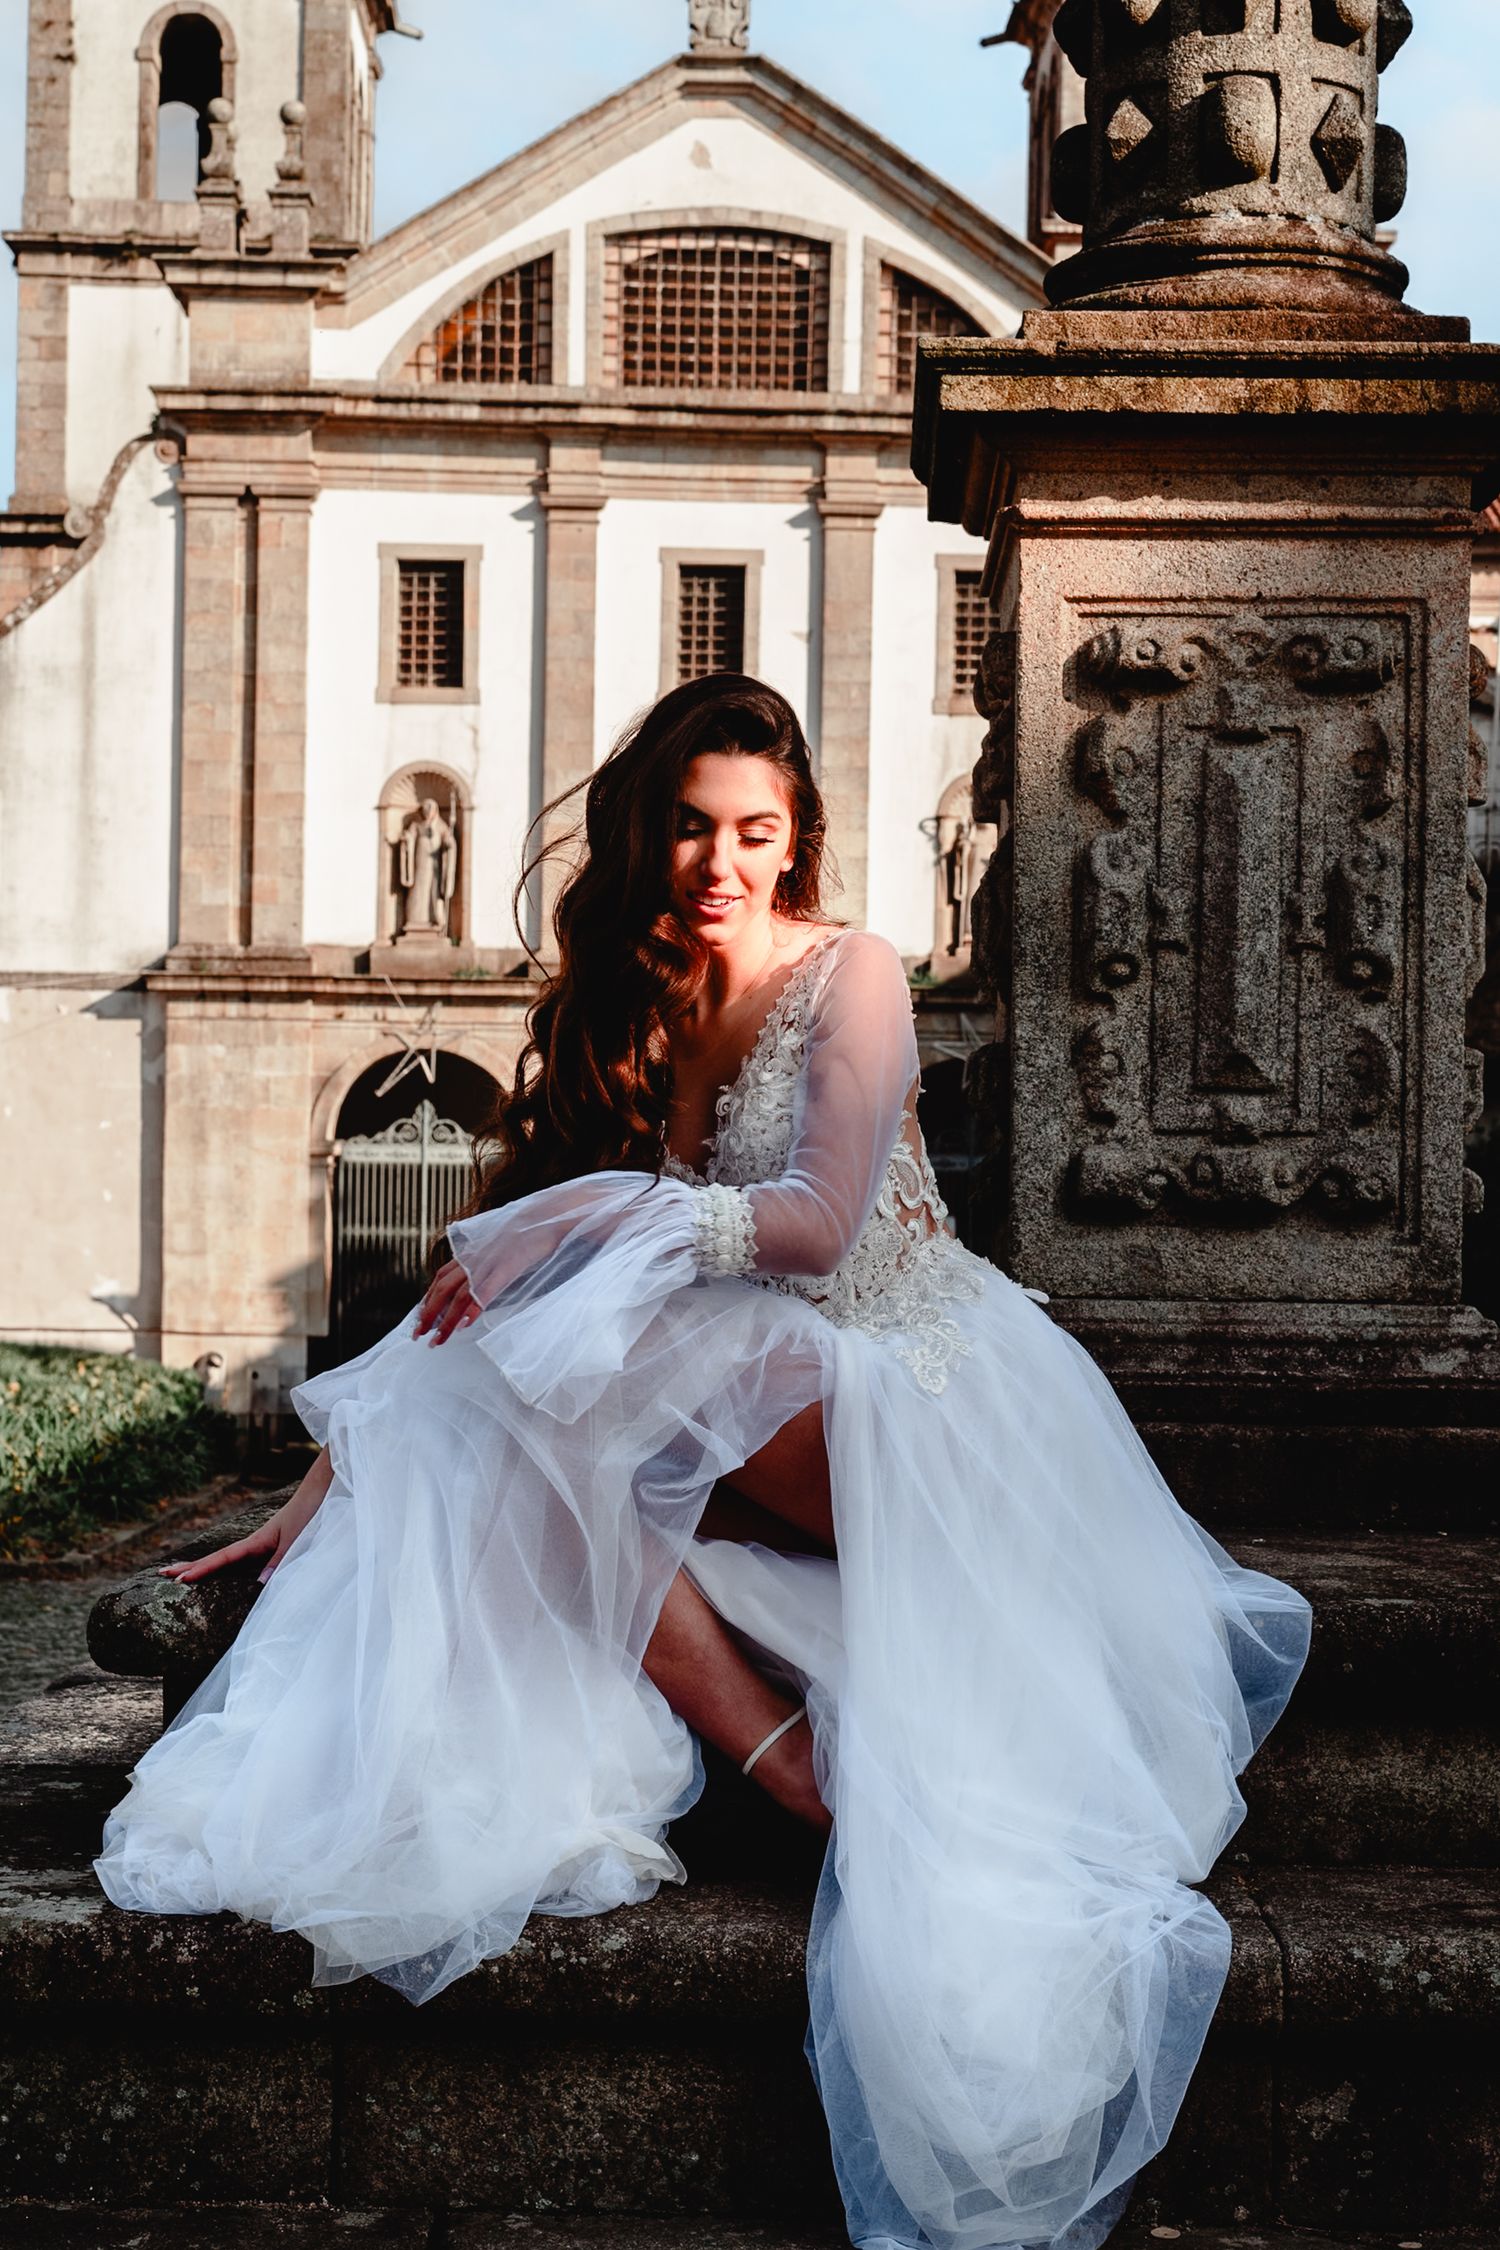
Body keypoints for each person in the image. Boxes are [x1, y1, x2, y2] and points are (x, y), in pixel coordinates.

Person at [95, 675, 1312, 2250]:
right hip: (759, 1383)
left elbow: (807, 1223)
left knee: (566, 1381)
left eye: (753, 829)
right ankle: (794, 1769)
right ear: (647, 833)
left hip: (909, 1392)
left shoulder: (853, 971)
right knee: (526, 1407)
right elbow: (481, 1323)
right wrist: (323, 1487)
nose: (717, 861)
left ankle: (785, 1767)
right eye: (687, 827)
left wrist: (581, 1220)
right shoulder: (658, 995)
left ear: (798, 836)